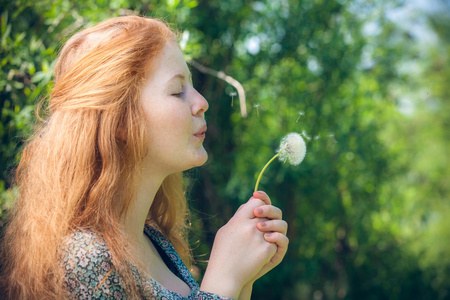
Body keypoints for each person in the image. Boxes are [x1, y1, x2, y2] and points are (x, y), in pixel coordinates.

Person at [0, 16, 288, 299]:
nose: (202, 102)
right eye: (177, 91)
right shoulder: (86, 262)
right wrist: (224, 278)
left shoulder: (154, 240)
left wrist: (242, 279)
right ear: (120, 122)